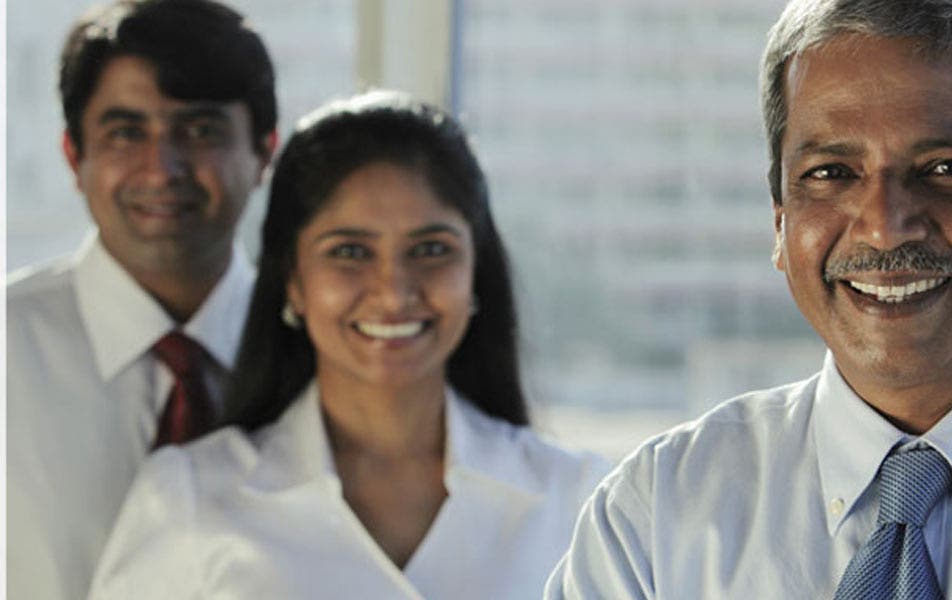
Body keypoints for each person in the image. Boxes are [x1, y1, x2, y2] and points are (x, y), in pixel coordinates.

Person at [546, 0, 952, 598]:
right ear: (780, 222)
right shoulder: (657, 520)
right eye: (831, 173)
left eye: (947, 169)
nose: (886, 225)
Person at [87, 91, 611, 599]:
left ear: (476, 272)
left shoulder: (578, 498)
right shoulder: (189, 497)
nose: (393, 292)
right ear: (293, 279)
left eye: (431, 249)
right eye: (350, 251)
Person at [6, 1, 277, 598]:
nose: (163, 168)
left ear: (264, 151)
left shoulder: (328, 353)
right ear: (75, 157)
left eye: (201, 129)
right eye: (126, 132)